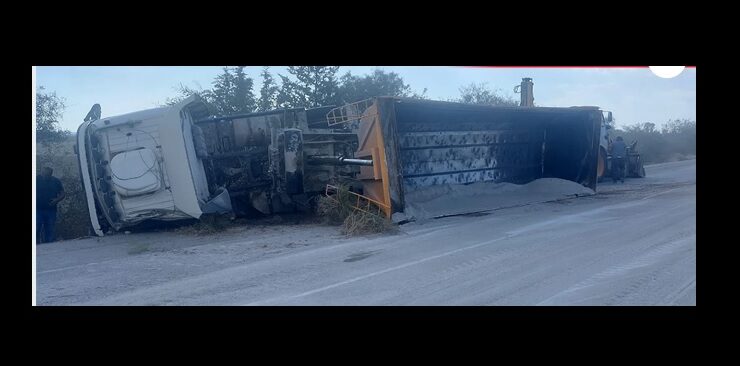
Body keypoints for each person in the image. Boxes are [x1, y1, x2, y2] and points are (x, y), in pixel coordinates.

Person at [36, 167, 65, 243]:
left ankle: (48, 247)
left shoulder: (56, 181)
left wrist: (56, 200)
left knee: (49, 229)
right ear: (42, 171)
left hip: (51, 209)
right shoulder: (36, 179)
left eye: (48, 174)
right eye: (45, 174)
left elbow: (62, 194)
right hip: (37, 209)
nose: (46, 176)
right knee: (36, 228)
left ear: (51, 173)